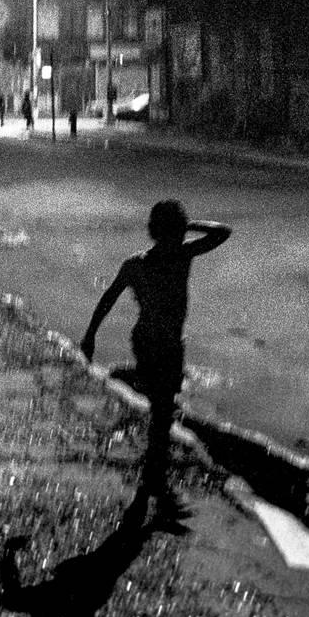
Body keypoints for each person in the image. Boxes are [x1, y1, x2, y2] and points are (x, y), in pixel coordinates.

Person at [80, 199, 232, 515]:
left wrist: (91, 334)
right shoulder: (182, 254)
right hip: (163, 345)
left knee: (162, 411)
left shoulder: (136, 264)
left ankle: (154, 479)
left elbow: (107, 299)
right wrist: (189, 225)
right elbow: (222, 233)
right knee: (163, 413)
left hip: (148, 341)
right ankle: (154, 483)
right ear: (173, 231)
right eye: (176, 230)